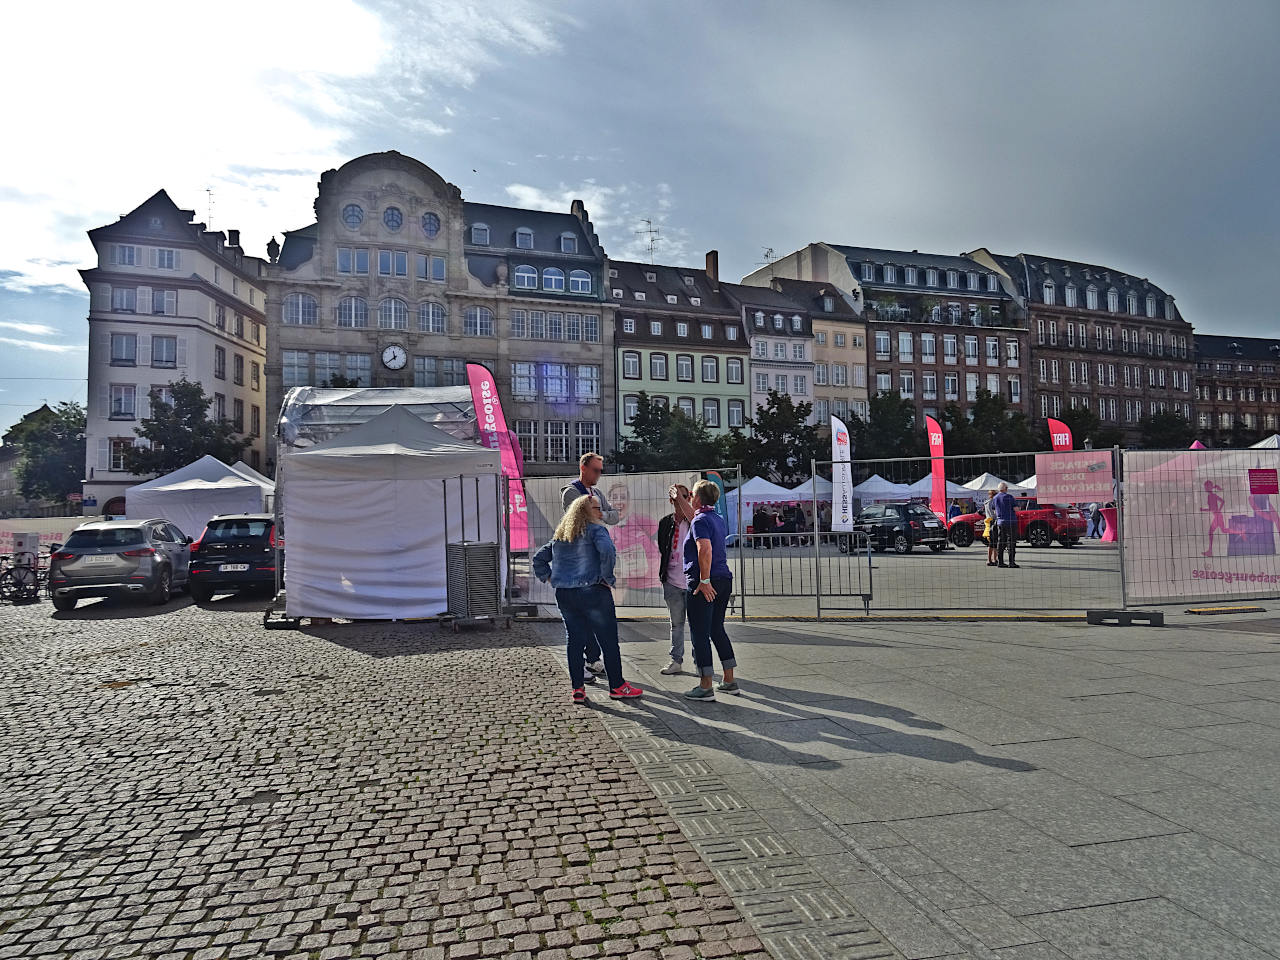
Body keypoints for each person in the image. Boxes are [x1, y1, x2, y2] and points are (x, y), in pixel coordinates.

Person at [533, 495, 642, 705]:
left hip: (565, 594)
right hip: (593, 591)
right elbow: (608, 551)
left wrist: (550, 577)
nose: (599, 512)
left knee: (574, 641)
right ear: (585, 511)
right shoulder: (596, 530)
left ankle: (578, 689)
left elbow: (539, 559)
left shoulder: (561, 535)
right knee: (608, 640)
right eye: (596, 508)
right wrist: (607, 577)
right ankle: (617, 686)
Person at [560, 452, 620, 680]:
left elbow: (613, 516)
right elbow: (580, 520)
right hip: (578, 563)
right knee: (580, 620)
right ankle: (585, 665)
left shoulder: (597, 494)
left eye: (601, 470)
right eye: (595, 470)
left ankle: (593, 659)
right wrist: (599, 515)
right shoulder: (572, 492)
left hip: (592, 564)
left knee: (594, 616)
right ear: (583, 468)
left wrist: (599, 512)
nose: (598, 474)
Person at [683, 479, 738, 702]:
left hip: (705, 580)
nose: (689, 498)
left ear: (697, 497)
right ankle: (729, 679)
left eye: (691, 495)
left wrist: (703, 580)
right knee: (717, 629)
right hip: (724, 578)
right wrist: (679, 500)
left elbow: (704, 549)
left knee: (699, 632)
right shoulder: (716, 518)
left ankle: (705, 685)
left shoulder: (700, 521)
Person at [655, 483, 695, 675]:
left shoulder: (694, 520)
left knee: (696, 625)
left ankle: (700, 662)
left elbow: (692, 516)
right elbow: (663, 549)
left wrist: (681, 498)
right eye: (679, 496)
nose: (682, 499)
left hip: (692, 581)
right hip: (671, 580)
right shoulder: (665, 522)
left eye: (686, 496)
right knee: (676, 623)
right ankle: (676, 660)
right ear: (671, 500)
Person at [991, 482, 1019, 569]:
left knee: (1001, 541)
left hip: (1000, 522)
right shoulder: (1010, 497)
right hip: (1010, 521)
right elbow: (1016, 509)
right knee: (1011, 542)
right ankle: (1011, 562)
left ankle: (1000, 562)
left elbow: (993, 509)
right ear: (1005, 488)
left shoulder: (995, 498)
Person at [983, 489, 998, 566]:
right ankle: (991, 559)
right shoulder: (993, 502)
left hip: (988, 523)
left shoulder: (986, 502)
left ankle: (993, 559)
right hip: (993, 522)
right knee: (993, 544)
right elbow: (994, 514)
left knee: (992, 543)